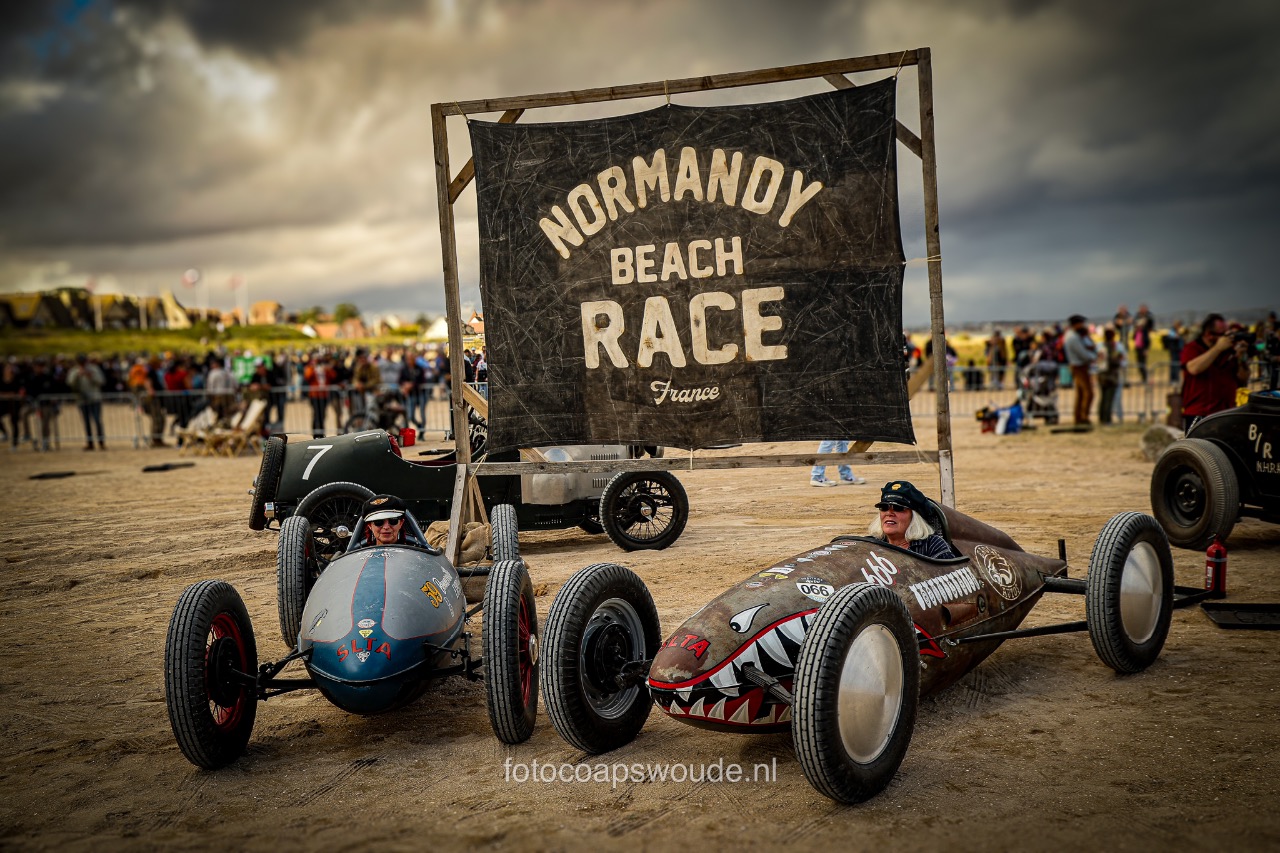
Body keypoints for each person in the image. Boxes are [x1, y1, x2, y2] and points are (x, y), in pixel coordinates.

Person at [1180, 313, 1250, 432]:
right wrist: (1217, 348)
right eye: (1224, 335)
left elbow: (1243, 379)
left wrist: (1241, 358)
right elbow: (1194, 368)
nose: (1228, 338)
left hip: (1226, 412)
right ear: (1209, 335)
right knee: (1200, 444)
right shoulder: (1192, 348)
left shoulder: (1230, 351)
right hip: (1199, 413)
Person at [868, 480, 958, 559]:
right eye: (884, 507)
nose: (889, 513)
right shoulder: (870, 545)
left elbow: (950, 572)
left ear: (914, 517)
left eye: (898, 508)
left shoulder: (933, 545)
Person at [1063, 315, 1098, 426]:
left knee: (1081, 393)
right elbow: (1083, 354)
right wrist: (1094, 357)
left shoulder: (1071, 335)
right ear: (1076, 324)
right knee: (1088, 393)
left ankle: (1078, 417)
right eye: (1081, 323)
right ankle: (1083, 417)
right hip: (1079, 367)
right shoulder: (1073, 337)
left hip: (1077, 366)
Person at [66, 354, 106, 450]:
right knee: (86, 422)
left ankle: (101, 442)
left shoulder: (94, 369)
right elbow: (70, 383)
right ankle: (90, 443)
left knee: (97, 420)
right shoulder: (74, 371)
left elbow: (101, 381)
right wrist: (77, 376)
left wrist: (91, 376)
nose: (82, 364)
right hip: (82, 400)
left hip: (95, 399)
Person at [355, 494, 424, 548]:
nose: (386, 527)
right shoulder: (358, 558)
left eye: (393, 521)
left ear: (401, 523)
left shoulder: (416, 555)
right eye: (378, 522)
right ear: (370, 526)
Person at [1097, 327, 1122, 425]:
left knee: (1103, 398)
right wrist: (1118, 358)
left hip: (1102, 375)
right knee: (1108, 398)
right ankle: (1107, 419)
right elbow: (1113, 361)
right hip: (1110, 376)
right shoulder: (1111, 347)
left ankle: (1102, 417)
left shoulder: (1100, 346)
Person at [1132, 304, 1155, 383]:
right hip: (1138, 348)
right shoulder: (1137, 331)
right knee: (1139, 364)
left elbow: (1148, 341)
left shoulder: (1145, 332)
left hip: (1143, 348)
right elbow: (1133, 338)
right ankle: (1144, 378)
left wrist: (1146, 349)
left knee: (1143, 363)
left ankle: (1146, 378)